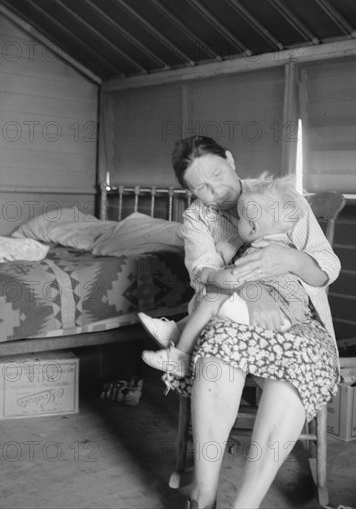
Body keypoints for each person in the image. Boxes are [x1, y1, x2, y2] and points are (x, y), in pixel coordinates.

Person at [139, 135, 340, 509]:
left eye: (217, 174)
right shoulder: (198, 217)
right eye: (201, 187)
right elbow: (202, 273)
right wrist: (252, 292)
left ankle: (245, 504)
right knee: (217, 358)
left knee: (293, 374)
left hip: (297, 319)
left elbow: (327, 268)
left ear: (230, 158)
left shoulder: (277, 196)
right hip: (233, 312)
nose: (215, 191)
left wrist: (291, 260)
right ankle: (205, 492)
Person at [140, 174, 315, 378]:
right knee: (211, 298)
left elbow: (233, 279)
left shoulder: (263, 252)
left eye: (241, 218)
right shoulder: (282, 246)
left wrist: (209, 274)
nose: (237, 221)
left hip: (272, 317)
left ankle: (179, 356)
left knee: (211, 296)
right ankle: (177, 331)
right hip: (279, 312)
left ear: (252, 227)